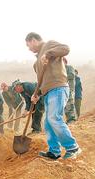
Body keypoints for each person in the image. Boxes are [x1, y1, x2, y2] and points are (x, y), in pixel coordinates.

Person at [25, 32, 81, 160]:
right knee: (48, 123)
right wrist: (36, 94)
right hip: (47, 92)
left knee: (54, 118)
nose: (29, 49)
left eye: (29, 45)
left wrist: (48, 54)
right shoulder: (36, 63)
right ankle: (54, 151)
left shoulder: (49, 45)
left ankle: (73, 147)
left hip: (58, 88)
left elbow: (66, 49)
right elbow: (40, 81)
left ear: (33, 40)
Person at [63, 57, 77, 123]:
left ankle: (71, 119)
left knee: (70, 103)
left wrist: (61, 78)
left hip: (69, 88)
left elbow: (71, 75)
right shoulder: (61, 69)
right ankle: (69, 119)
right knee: (66, 105)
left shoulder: (69, 67)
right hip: (64, 89)